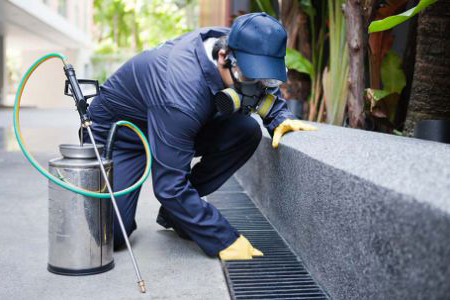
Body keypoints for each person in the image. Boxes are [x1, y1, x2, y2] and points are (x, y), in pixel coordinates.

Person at [82, 12, 317, 260]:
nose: (255, 89)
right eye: (248, 78)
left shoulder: (241, 42)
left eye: (265, 78)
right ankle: (176, 210)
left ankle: (176, 215)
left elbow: (263, 84)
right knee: (112, 235)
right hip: (121, 135)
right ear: (223, 57)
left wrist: (279, 117)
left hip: (175, 122)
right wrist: (221, 238)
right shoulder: (180, 91)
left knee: (246, 131)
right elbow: (169, 186)